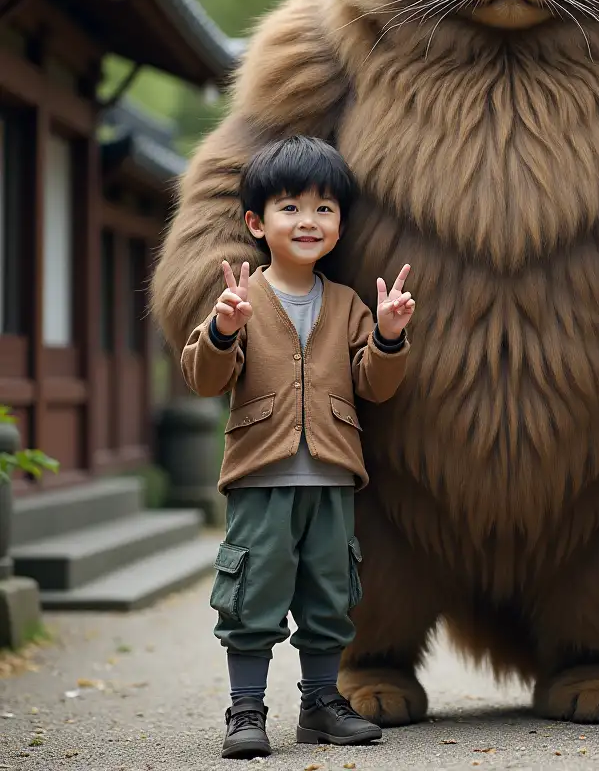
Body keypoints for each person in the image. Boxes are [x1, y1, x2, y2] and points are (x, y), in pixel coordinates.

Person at [180, 135, 415, 759]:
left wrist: (389, 337)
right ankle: (247, 710)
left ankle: (320, 702)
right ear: (257, 222)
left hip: (334, 476)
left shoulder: (346, 304)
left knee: (330, 595)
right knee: (252, 593)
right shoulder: (241, 298)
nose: (307, 221)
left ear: (340, 223)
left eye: (324, 208)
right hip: (261, 475)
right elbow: (203, 379)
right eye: (290, 207)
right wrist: (222, 331)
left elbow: (375, 386)